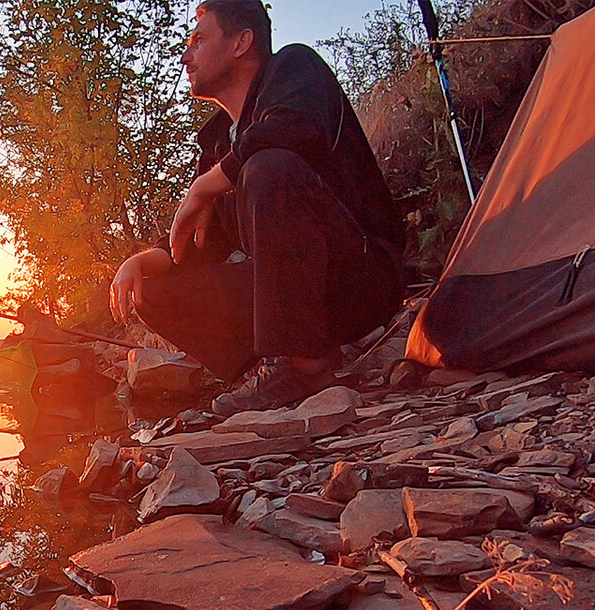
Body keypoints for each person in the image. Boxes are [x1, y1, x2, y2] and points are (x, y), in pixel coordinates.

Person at [109, 0, 404, 416]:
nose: (185, 55)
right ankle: (271, 367)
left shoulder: (294, 69)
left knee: (269, 167)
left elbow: (293, 131)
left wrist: (205, 186)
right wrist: (146, 258)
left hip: (359, 277)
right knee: (151, 289)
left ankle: (303, 364)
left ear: (242, 42)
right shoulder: (216, 141)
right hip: (288, 296)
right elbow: (207, 241)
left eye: (199, 40)